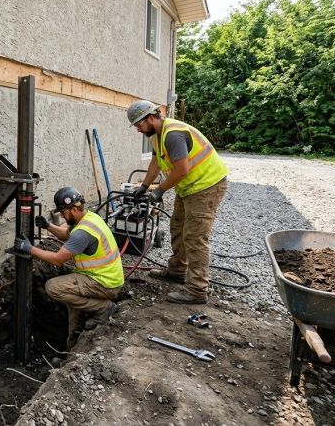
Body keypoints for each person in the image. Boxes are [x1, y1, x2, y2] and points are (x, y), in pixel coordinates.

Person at [127, 100, 228, 304]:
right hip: (189, 187)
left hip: (207, 186)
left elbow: (181, 170)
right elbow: (156, 162)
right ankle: (177, 271)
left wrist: (160, 191)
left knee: (195, 236)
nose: (138, 130)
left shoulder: (173, 135)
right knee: (178, 227)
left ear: (151, 118)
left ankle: (197, 290)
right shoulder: (157, 136)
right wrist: (145, 187)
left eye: (139, 124)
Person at [14, 187, 124, 341]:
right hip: (104, 278)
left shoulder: (83, 233)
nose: (63, 217)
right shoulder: (89, 217)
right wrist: (48, 226)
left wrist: (29, 249)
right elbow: (67, 235)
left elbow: (57, 260)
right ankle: (70, 350)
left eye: (64, 212)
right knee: (72, 305)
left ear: (73, 209)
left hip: (104, 283)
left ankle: (103, 308)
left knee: (53, 287)